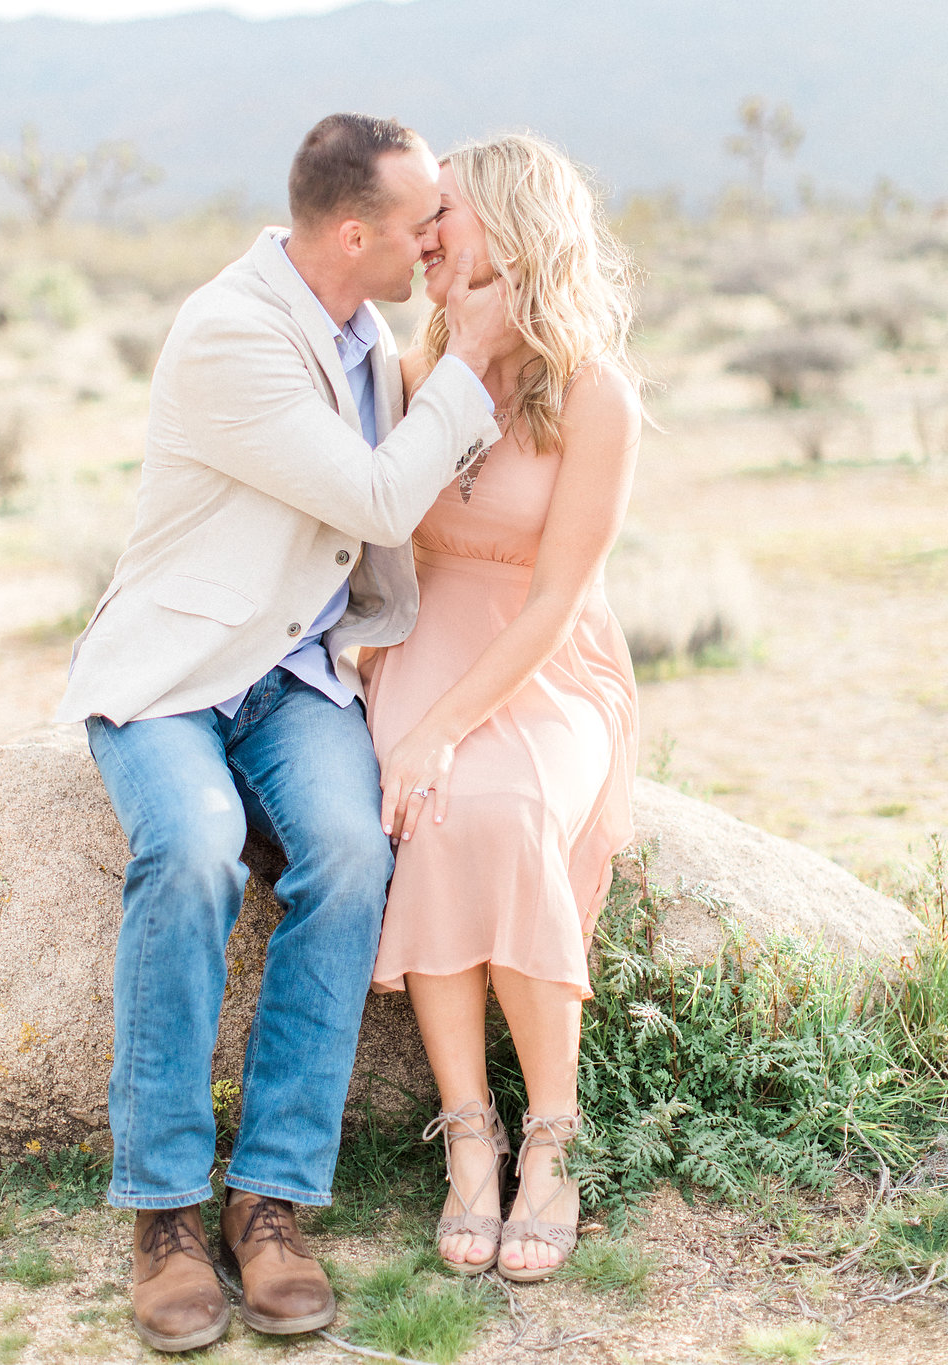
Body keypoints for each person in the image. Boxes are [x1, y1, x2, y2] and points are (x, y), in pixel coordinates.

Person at [55, 112, 508, 1353]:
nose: (434, 241)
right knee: (196, 846)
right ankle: (161, 1214)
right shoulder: (230, 332)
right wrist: (472, 357)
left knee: (354, 855)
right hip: (176, 675)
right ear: (353, 231)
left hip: (292, 674)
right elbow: (370, 494)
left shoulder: (360, 328)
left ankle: (273, 1199)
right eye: (421, 221)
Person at [361, 133, 642, 1284]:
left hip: (547, 657)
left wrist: (442, 730)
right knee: (431, 814)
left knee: (513, 806)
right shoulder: (415, 373)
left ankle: (552, 1142)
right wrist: (404, 712)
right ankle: (467, 1138)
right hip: (424, 638)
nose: (425, 238)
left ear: (514, 232)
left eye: (447, 218)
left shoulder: (594, 394)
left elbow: (556, 602)